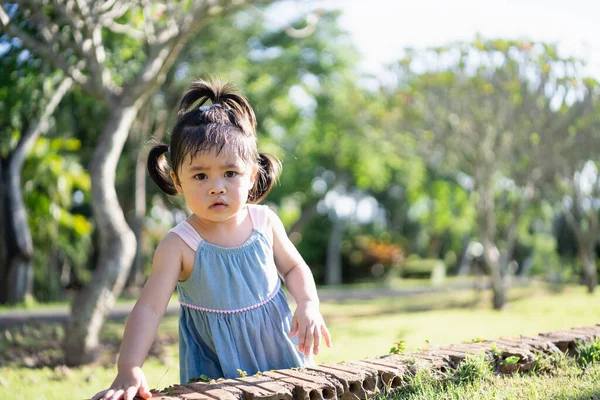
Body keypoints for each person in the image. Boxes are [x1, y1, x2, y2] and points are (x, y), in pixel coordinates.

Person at [92, 80, 331, 400]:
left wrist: (308, 304)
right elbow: (149, 308)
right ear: (176, 180)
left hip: (280, 353)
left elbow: (293, 268)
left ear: (251, 175)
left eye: (230, 173)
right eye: (200, 175)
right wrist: (129, 366)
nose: (216, 186)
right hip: (216, 369)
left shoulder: (264, 222)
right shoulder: (179, 244)